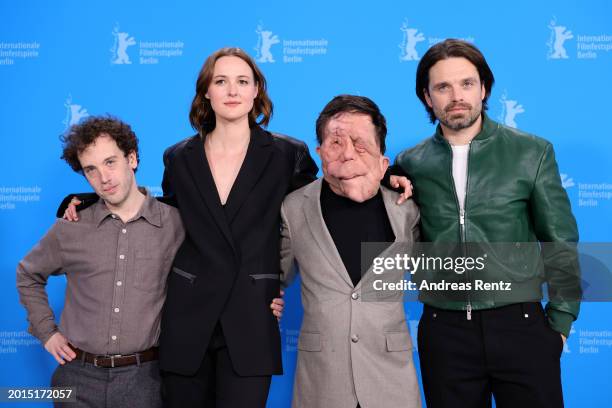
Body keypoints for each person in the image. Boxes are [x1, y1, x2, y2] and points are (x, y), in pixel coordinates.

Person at [394, 39, 581, 408]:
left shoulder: (531, 152)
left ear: (484, 88)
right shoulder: (410, 163)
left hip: (521, 326)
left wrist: (559, 325)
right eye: (442, 87)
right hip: (445, 332)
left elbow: (560, 240)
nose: (456, 95)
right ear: (427, 97)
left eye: (466, 83)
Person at [157, 47, 319, 407]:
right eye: (221, 81)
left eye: (242, 81)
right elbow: (160, 221)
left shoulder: (288, 155)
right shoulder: (178, 157)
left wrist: (280, 279)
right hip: (186, 315)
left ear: (256, 90)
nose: (232, 90)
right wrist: (88, 200)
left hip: (252, 313)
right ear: (206, 93)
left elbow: (315, 220)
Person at [17, 116, 184, 408]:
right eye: (90, 170)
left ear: (131, 158)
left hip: (145, 380)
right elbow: (28, 274)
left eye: (110, 162)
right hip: (76, 378)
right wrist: (47, 333)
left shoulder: (174, 224)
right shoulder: (72, 225)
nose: (103, 178)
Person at [280, 95, 421, 408]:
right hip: (322, 380)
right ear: (319, 152)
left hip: (391, 380)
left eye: (360, 144)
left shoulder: (407, 208)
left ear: (382, 155)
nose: (346, 154)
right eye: (335, 142)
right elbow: (274, 275)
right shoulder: (293, 208)